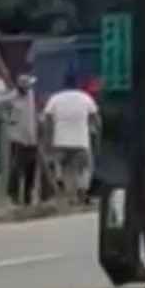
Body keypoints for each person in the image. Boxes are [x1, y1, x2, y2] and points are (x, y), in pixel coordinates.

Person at [42, 75, 99, 204]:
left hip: (60, 141)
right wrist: (97, 136)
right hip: (81, 141)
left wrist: (47, 140)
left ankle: (67, 191)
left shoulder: (55, 98)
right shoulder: (85, 97)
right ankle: (82, 191)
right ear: (77, 85)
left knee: (65, 168)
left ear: (64, 84)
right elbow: (96, 119)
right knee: (84, 168)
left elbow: (47, 120)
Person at [4, 76, 39, 207]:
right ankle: (13, 195)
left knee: (31, 169)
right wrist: (8, 119)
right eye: (27, 86)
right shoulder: (12, 97)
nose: (29, 88)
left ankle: (27, 198)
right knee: (17, 168)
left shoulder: (30, 94)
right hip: (19, 139)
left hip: (32, 139)